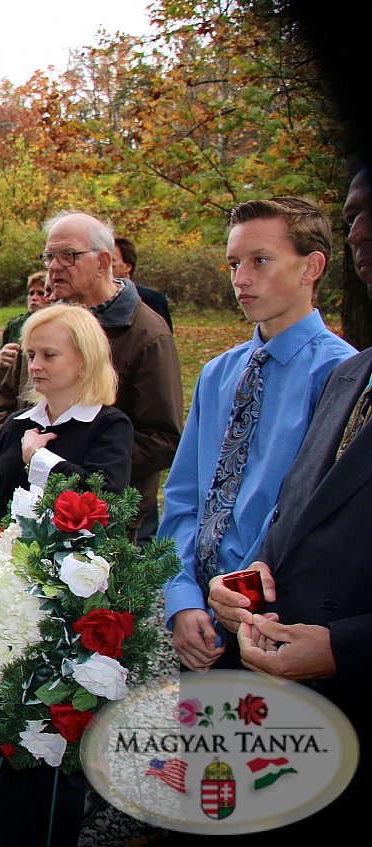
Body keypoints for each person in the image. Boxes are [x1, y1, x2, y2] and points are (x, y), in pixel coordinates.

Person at [207, 168, 372, 836]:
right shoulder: (357, 377)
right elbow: (293, 510)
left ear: (313, 268)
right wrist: (212, 591)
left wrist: (344, 647)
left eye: (260, 259)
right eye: (354, 210)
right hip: (255, 638)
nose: (359, 226)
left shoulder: (331, 364)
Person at [0, 303, 132, 847]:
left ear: (85, 357)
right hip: (7, 602)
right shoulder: (17, 426)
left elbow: (108, 502)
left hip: (73, 613)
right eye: (31, 355)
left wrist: (43, 463)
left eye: (50, 354)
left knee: (58, 730)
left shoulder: (108, 425)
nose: (37, 366)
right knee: (6, 722)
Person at [162, 198, 353, 671]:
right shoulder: (218, 373)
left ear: (312, 267)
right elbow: (184, 496)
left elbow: (310, 516)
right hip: (202, 625)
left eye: (260, 261)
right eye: (233, 263)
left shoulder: (342, 376)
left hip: (279, 628)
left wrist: (236, 593)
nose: (240, 279)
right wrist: (183, 598)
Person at [0, 213, 183, 541]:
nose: (54, 267)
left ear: (102, 262)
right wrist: (8, 460)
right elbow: (8, 403)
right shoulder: (44, 325)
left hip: (101, 524)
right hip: (22, 509)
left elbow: (163, 438)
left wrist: (64, 464)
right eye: (49, 256)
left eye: (68, 255)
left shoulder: (146, 334)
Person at [0, 271, 47, 401]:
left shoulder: (60, 327)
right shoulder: (14, 326)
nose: (34, 298)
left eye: (40, 293)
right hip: (14, 403)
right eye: (31, 293)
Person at [112, 236, 174, 333]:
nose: (105, 265)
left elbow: (164, 340)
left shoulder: (153, 300)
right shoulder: (92, 300)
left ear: (127, 267)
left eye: (112, 260)